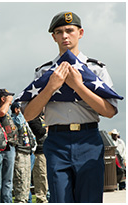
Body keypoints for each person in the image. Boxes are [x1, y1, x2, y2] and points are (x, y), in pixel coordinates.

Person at [22, 11, 119, 203]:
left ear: (80, 33)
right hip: (57, 141)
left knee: (89, 199)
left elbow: (109, 111)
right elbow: (28, 114)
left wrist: (78, 87)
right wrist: (50, 87)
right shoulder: (45, 71)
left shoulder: (95, 69)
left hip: (88, 140)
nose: (64, 36)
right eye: (59, 32)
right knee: (60, 199)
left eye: (69, 30)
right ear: (53, 37)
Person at [0, 88, 17, 203]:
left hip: (10, 147)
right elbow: (1, 113)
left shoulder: (7, 111)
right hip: (2, 149)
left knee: (8, 180)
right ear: (2, 99)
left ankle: (6, 201)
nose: (11, 99)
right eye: (8, 97)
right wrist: (7, 102)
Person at [11, 101, 35, 203]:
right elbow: (20, 125)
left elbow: (30, 134)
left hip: (27, 152)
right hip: (19, 153)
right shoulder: (15, 119)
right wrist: (19, 114)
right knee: (20, 178)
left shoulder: (24, 120)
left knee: (26, 180)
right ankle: (20, 201)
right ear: (16, 110)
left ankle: (24, 200)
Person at [28, 115, 49, 203]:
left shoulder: (43, 118)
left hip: (48, 150)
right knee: (41, 176)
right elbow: (40, 131)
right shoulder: (32, 118)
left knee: (47, 176)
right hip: (39, 151)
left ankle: (48, 197)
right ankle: (41, 199)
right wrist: (48, 127)